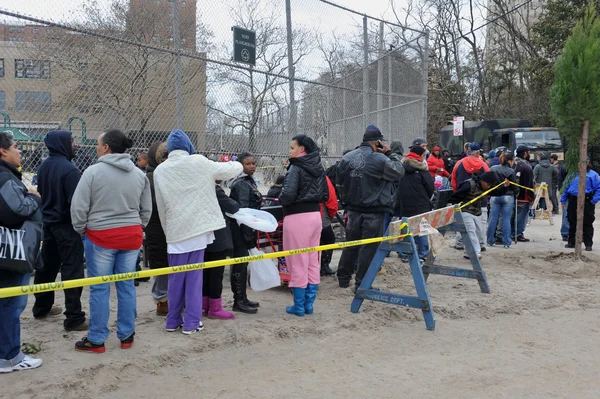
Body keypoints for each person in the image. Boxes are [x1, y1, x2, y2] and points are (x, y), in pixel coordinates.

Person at [70, 129, 151, 352]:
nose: (96, 147)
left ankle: (96, 339)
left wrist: (80, 228)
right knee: (126, 287)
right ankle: (127, 335)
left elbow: (79, 206)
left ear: (106, 147)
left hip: (101, 236)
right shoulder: (138, 174)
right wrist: (139, 224)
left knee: (99, 288)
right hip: (131, 236)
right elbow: (147, 208)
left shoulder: (93, 172)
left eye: (98, 144)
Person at [154, 130, 242, 334]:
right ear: (188, 146)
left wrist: (169, 232)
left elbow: (161, 206)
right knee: (194, 278)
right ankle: (192, 323)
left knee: (175, 279)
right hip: (197, 230)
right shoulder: (199, 162)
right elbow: (230, 169)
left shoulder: (160, 170)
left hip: (176, 231)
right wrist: (236, 161)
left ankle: (172, 320)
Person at [335, 125, 404, 290]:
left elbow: (339, 182)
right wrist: (389, 153)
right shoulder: (380, 159)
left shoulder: (347, 158)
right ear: (378, 142)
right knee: (369, 249)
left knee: (351, 244)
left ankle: (343, 278)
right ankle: (362, 283)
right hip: (374, 210)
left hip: (352, 209)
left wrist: (345, 200)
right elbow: (399, 171)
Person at [32, 130, 87, 331]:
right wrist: (81, 226)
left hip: (48, 224)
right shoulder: (70, 170)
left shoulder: (45, 165)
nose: (75, 144)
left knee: (46, 266)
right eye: (72, 141)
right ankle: (74, 317)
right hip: (66, 226)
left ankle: (41, 307)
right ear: (63, 144)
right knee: (72, 269)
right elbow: (76, 203)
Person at [0, 132, 44, 372]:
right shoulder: (5, 177)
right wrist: (33, 198)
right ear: (2, 151)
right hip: (10, 253)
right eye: (16, 147)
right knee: (10, 304)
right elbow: (16, 210)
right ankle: (10, 358)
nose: (20, 151)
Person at [279, 134, 328, 316]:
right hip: (315, 216)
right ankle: (309, 304)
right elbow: (325, 193)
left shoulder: (295, 167)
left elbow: (289, 194)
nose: (290, 151)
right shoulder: (318, 167)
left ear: (302, 149)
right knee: (312, 259)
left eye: (292, 147)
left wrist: (281, 199)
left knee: (297, 260)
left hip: (297, 217)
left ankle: (299, 306)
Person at [229, 152, 262, 314]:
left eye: (253, 163)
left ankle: (242, 297)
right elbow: (243, 212)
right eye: (248, 164)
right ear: (240, 165)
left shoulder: (248, 182)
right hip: (241, 229)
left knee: (243, 263)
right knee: (240, 264)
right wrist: (248, 234)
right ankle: (239, 300)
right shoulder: (241, 184)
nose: (252, 166)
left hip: (247, 228)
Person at [203, 185, 239, 320]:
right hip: (218, 236)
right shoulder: (214, 188)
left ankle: (203, 305)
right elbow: (232, 206)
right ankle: (215, 307)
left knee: (205, 272)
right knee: (216, 274)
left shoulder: (197, 186)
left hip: (202, 236)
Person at [396, 145, 435, 261]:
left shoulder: (401, 168)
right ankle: (422, 254)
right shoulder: (422, 170)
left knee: (406, 229)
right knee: (422, 230)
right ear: (421, 155)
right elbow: (430, 187)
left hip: (404, 205)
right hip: (421, 205)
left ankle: (405, 254)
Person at [144, 142, 170, 316]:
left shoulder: (170, 174)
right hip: (156, 226)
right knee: (160, 263)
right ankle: (162, 300)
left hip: (170, 225)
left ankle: (172, 298)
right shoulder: (150, 178)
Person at [449, 172, 498, 260]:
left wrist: (505, 186)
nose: (489, 187)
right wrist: (455, 208)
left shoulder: (485, 186)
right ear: (483, 181)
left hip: (476, 211)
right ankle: (475, 252)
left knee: (479, 232)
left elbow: (497, 191)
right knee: (470, 230)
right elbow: (455, 197)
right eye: (488, 184)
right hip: (465, 210)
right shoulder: (468, 184)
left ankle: (468, 252)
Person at [451, 143, 489, 250]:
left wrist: (457, 193)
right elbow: (489, 181)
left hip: (463, 200)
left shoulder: (459, 164)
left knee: (462, 223)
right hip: (480, 200)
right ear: (478, 152)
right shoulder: (483, 165)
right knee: (480, 223)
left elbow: (453, 181)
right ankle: (480, 244)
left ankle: (459, 243)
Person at [562, 160, 600, 251]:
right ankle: (571, 242)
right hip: (573, 200)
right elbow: (566, 187)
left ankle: (588, 244)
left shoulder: (593, 175)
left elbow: (598, 189)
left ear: (588, 163)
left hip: (587, 201)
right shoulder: (572, 174)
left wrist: (593, 201)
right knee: (572, 221)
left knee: (587, 222)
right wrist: (563, 200)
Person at [488, 152, 518, 248]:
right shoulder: (511, 171)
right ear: (510, 160)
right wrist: (517, 192)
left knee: (493, 218)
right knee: (506, 219)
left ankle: (490, 240)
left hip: (495, 196)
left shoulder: (493, 169)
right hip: (507, 196)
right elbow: (514, 186)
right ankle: (506, 242)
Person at [512, 145, 535, 242]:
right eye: (528, 152)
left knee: (512, 215)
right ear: (525, 153)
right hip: (523, 196)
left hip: (511, 194)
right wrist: (531, 197)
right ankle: (518, 234)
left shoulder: (512, 163)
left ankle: (511, 233)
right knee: (521, 217)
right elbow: (529, 184)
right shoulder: (527, 167)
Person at [320, 176, 338, 276]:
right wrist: (332, 214)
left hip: (298, 215)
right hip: (321, 215)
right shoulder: (323, 178)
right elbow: (331, 199)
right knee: (329, 239)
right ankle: (324, 267)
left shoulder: (294, 173)